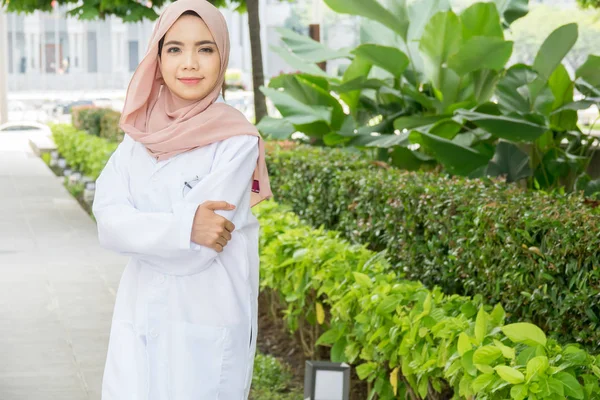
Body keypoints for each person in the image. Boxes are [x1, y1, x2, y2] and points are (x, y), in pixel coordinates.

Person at [91, 0, 272, 398]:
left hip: (205, 323)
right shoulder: (137, 139)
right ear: (158, 56)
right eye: (174, 49)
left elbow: (199, 250)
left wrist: (142, 229)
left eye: (205, 49)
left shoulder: (236, 141)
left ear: (222, 56)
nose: (189, 63)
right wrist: (183, 226)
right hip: (137, 321)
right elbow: (107, 223)